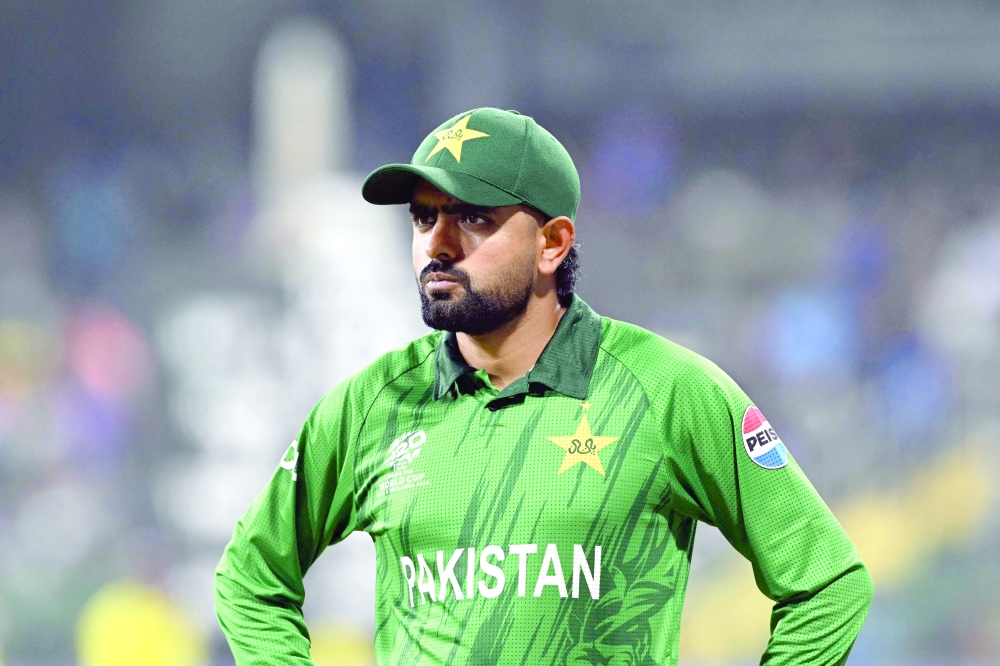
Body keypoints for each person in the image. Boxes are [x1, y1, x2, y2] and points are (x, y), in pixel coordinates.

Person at [215, 107, 872, 665]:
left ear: (553, 244)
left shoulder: (668, 391)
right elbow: (250, 580)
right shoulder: (369, 406)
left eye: (472, 218)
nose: (436, 245)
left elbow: (827, 585)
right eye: (422, 219)